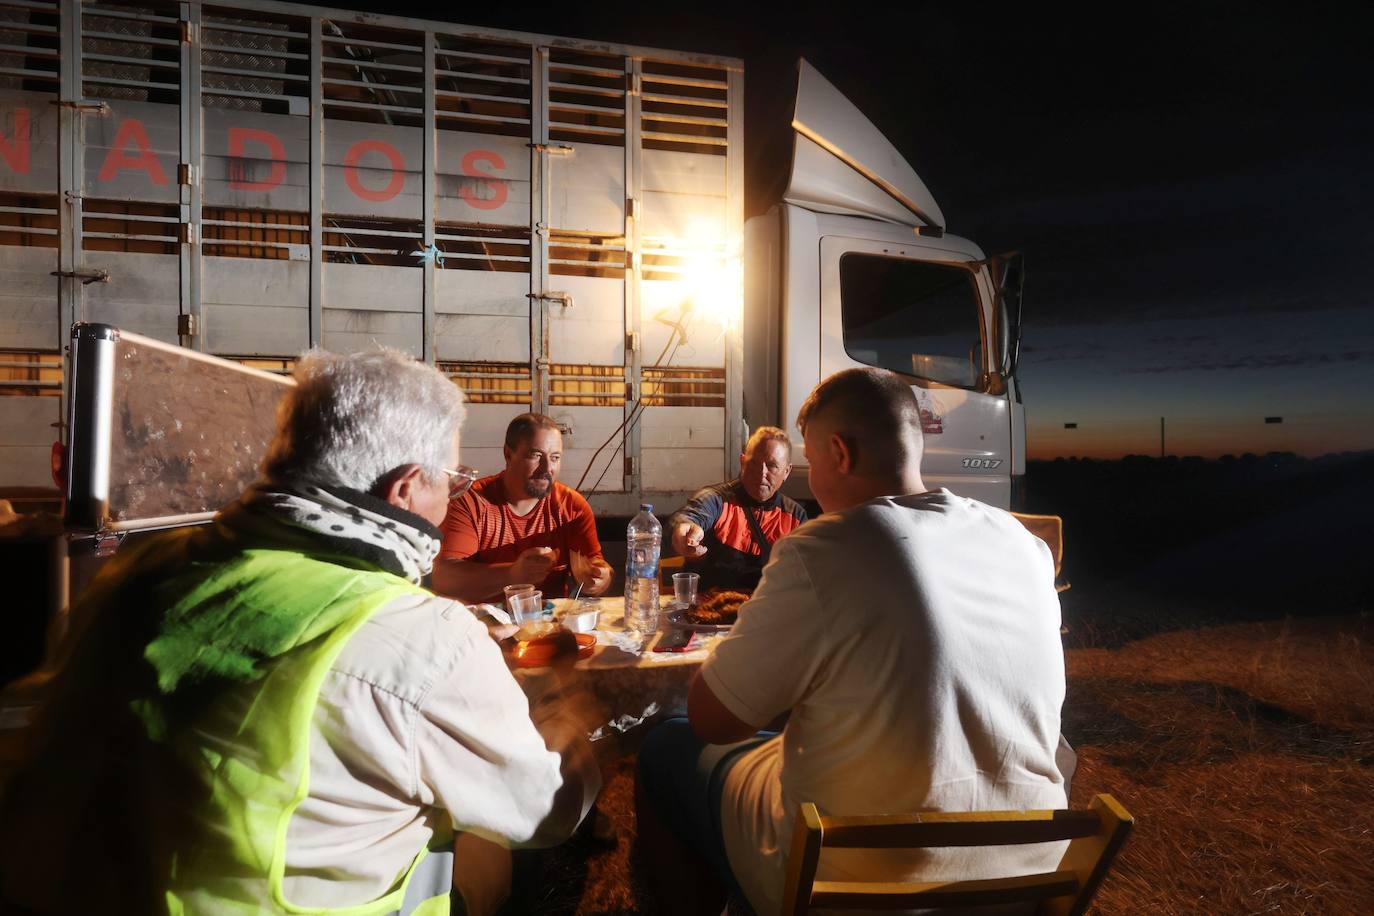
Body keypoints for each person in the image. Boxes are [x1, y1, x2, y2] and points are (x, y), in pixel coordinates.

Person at [0, 349, 596, 915]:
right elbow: (543, 813)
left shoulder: (138, 572)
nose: (457, 491)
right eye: (452, 477)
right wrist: (566, 715)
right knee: (487, 838)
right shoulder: (424, 638)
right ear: (407, 488)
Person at [638, 368, 1072, 915]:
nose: (808, 480)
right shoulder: (1022, 543)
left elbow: (716, 720)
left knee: (666, 746)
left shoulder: (824, 547)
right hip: (1028, 870)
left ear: (839, 453)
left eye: (811, 464)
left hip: (867, 877)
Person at [434, 413, 613, 604]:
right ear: (508, 454)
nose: (547, 468)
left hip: (549, 628)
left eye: (555, 457)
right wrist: (512, 574)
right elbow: (443, 579)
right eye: (536, 456)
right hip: (483, 627)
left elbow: (597, 565)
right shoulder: (471, 502)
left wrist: (600, 578)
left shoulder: (573, 508)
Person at [668, 426, 808, 591]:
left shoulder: (795, 517)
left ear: (787, 471)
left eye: (772, 466)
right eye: (754, 462)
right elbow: (691, 515)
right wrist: (684, 530)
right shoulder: (718, 500)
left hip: (767, 613)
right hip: (708, 611)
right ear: (743, 462)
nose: (761, 473)